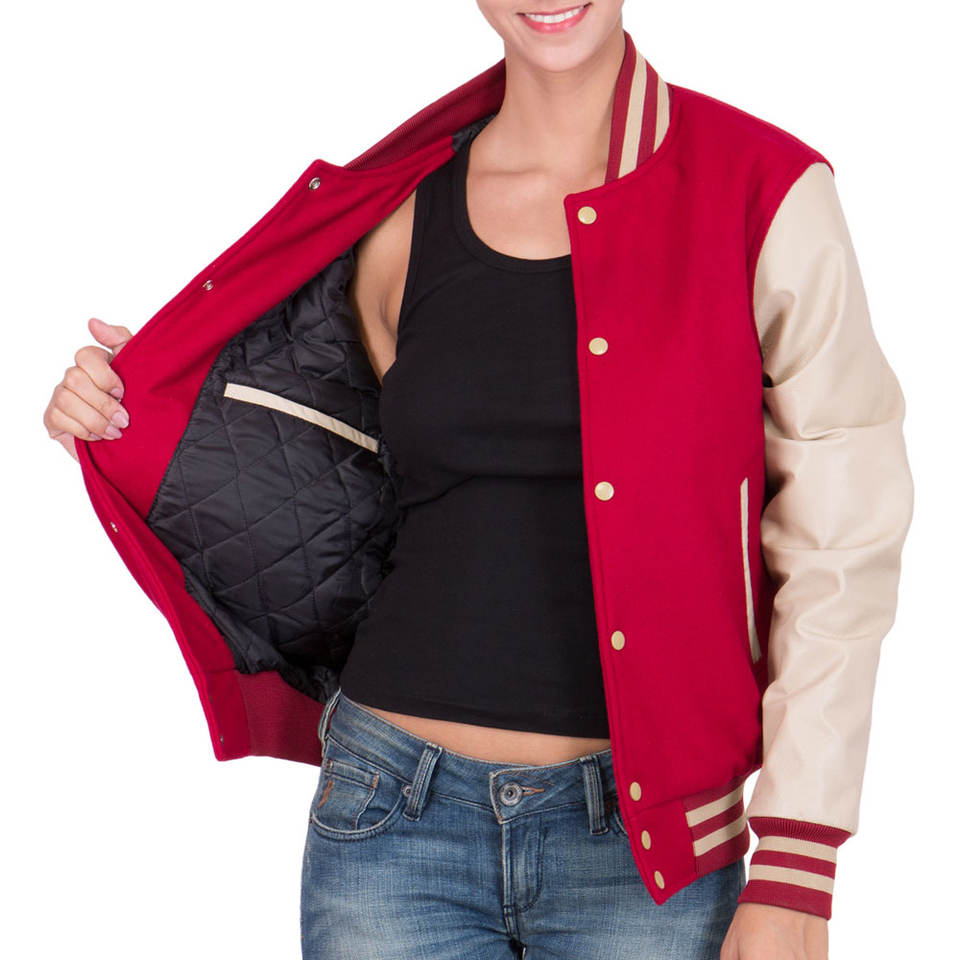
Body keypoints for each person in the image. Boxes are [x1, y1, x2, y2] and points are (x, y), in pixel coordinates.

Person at [42, 2, 914, 959]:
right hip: (390, 815)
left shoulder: (764, 189)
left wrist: (797, 860)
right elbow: (335, 472)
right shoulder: (403, 210)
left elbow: (842, 539)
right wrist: (131, 412)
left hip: (653, 853)